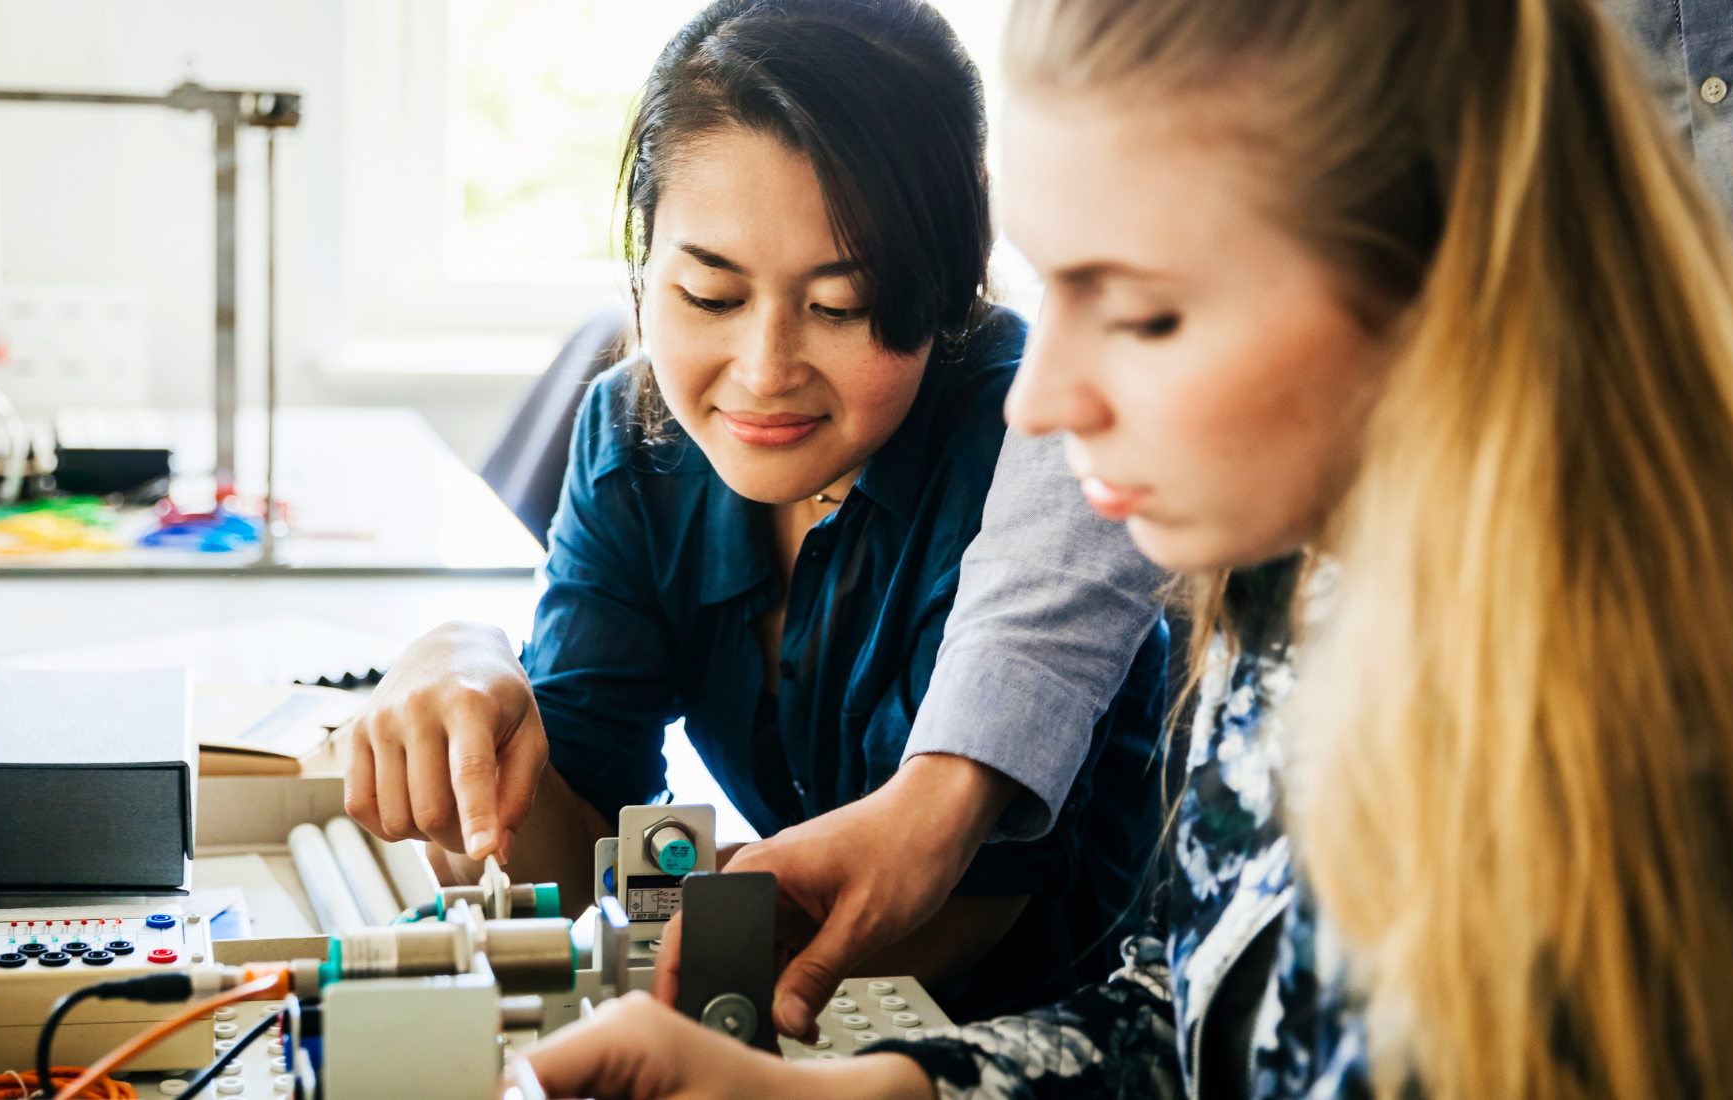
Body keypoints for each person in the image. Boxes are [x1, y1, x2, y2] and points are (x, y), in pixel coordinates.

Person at [511, 0, 1733, 1097]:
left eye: (1138, 313)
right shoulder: (1284, 605)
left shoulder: (1643, 763)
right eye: (1052, 286)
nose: (1039, 402)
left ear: (1433, 287)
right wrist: (863, 1090)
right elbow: (1184, 1019)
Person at [344, 0, 1171, 1021]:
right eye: (709, 294)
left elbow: (965, 905)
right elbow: (589, 848)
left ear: (950, 284)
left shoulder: (1040, 447)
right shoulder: (633, 434)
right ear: (645, 261)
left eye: (839, 307)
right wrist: (478, 705)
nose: (764, 371)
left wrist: (693, 931)